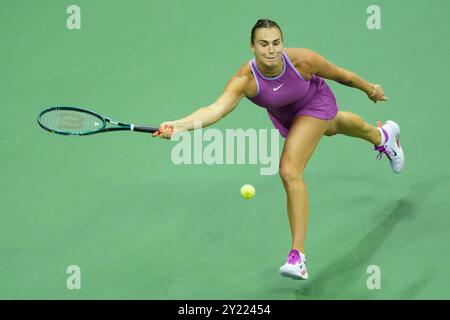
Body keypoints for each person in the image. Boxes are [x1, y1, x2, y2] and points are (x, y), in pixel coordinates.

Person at [152, 19, 404, 280]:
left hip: (314, 103)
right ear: (252, 47)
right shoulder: (245, 79)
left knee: (289, 170)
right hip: (287, 115)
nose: (271, 50)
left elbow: (342, 75)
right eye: (263, 44)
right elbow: (215, 110)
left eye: (276, 43)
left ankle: (298, 257)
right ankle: (384, 135)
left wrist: (370, 89)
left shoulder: (303, 60)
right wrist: (179, 125)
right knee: (334, 125)